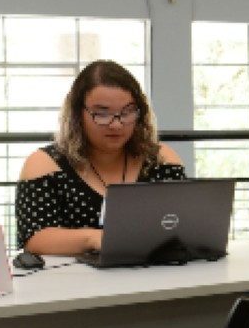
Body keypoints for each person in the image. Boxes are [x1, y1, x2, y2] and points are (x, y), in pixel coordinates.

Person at [15, 60, 186, 255]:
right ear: (77, 114)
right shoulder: (44, 164)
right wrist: (94, 238)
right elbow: (34, 238)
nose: (116, 124)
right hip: (76, 282)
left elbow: (182, 225)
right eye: (102, 114)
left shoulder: (162, 159)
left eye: (127, 112)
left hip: (157, 277)